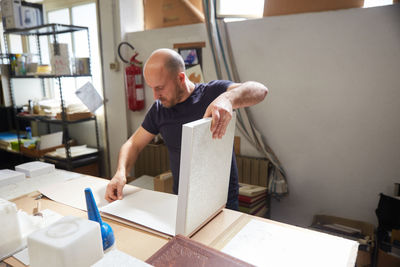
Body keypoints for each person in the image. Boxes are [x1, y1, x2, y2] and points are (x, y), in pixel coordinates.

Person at [105, 48, 268, 210]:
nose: (155, 96)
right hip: (183, 200)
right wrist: (121, 173)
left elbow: (260, 90)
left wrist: (228, 99)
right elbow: (133, 143)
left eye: (160, 88)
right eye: (152, 88)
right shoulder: (159, 110)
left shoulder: (212, 93)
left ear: (180, 78)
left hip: (223, 201)